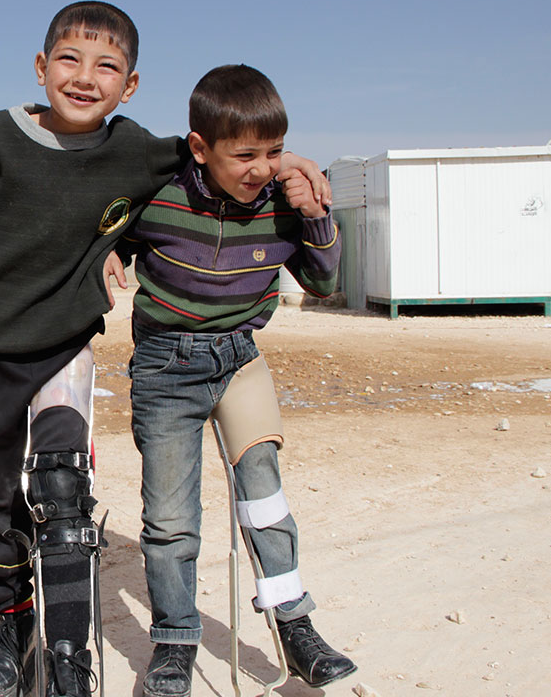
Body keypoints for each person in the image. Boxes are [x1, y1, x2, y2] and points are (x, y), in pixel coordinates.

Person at [0, 2, 328, 696]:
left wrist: (285, 164)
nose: (85, 77)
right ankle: (12, 625)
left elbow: (220, 153)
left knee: (63, 491)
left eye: (107, 66)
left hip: (62, 349)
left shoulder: (136, 150)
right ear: (42, 67)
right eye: (69, 59)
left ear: (129, 86)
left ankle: (71, 658)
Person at [108, 64, 357, 697]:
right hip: (166, 369)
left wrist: (316, 216)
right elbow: (104, 227)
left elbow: (325, 284)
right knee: (170, 519)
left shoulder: (283, 199)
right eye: (244, 155)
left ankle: (295, 629)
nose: (262, 168)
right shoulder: (159, 193)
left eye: (274, 152)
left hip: (240, 360)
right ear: (200, 148)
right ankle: (174, 643)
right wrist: (104, 248)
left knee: (265, 499)